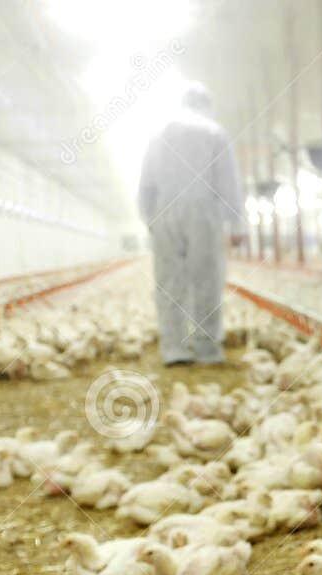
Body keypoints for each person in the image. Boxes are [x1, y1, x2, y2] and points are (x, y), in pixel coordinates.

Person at [137, 83, 245, 365]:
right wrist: (236, 224)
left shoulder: (158, 133)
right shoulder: (213, 132)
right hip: (203, 210)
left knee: (168, 280)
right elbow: (227, 181)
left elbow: (146, 183)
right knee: (206, 278)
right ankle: (206, 348)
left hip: (165, 210)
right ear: (207, 104)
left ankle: (174, 349)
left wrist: (150, 218)